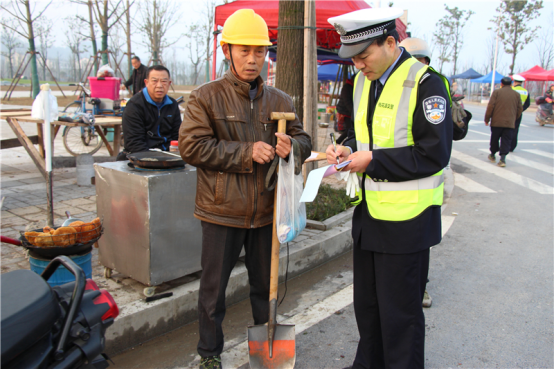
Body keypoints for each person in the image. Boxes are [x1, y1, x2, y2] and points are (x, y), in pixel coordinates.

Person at [178, 9, 311, 369]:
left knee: (263, 288)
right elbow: (192, 147)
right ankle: (209, 354)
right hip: (221, 210)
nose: (253, 60)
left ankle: (265, 350)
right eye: (244, 51)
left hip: (268, 211)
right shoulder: (205, 97)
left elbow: (303, 140)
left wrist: (292, 148)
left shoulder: (280, 100)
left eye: (260, 52)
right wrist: (246, 152)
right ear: (227, 51)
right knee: (213, 291)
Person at [326, 8, 454, 368]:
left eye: (364, 56)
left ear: (391, 42)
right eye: (353, 59)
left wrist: (373, 160)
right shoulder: (364, 81)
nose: (358, 65)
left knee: (401, 320)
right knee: (368, 311)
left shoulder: (426, 83)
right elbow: (363, 133)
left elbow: (434, 154)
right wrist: (348, 148)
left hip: (408, 222)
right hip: (370, 217)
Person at [118, 65, 181, 160]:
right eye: (154, 81)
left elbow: (178, 136)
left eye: (164, 81)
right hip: (142, 158)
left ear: (169, 83)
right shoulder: (134, 105)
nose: (159, 85)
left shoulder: (173, 104)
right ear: (146, 82)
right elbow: (134, 143)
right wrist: (155, 161)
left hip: (169, 157)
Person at [484, 76, 522, 167]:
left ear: (501, 84)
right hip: (509, 123)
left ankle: (492, 155)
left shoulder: (497, 92)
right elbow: (520, 108)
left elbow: (490, 107)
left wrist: (487, 119)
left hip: (496, 122)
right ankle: (502, 159)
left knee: (494, 139)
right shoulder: (516, 94)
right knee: (506, 140)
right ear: (511, 84)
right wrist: (514, 118)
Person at [510, 74, 530, 151]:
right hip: (519, 113)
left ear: (514, 82)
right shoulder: (525, 91)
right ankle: (512, 146)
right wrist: (521, 110)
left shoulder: (511, 89)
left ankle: (507, 145)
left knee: (508, 129)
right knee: (515, 129)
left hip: (510, 112)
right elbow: (527, 104)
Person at [336, 73, 355, 144]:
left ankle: (339, 142)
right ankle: (338, 142)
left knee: (349, 129)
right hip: (345, 111)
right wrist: (353, 112)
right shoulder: (347, 87)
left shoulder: (353, 87)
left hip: (349, 111)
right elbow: (347, 101)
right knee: (349, 129)